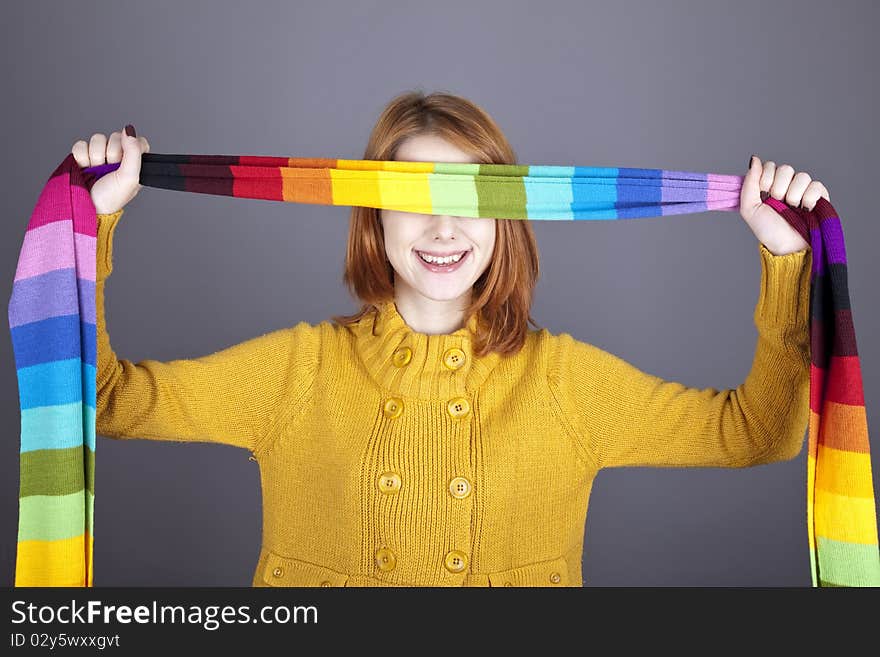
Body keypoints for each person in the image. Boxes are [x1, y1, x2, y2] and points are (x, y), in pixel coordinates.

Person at [74, 90, 823, 587]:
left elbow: (759, 432)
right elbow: (102, 400)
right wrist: (93, 223)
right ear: (373, 214)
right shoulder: (299, 369)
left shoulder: (563, 381)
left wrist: (786, 261)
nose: (443, 228)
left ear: (506, 219)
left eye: (471, 198)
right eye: (414, 197)